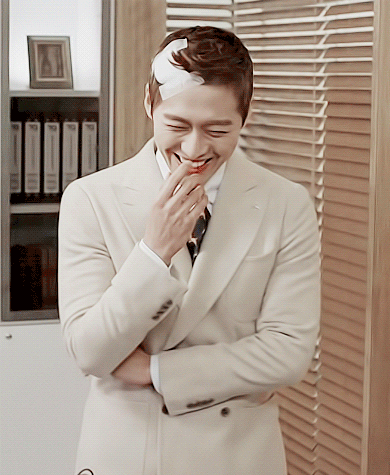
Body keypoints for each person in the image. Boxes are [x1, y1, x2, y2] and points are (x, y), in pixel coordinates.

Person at [58, 26, 320, 475]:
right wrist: (154, 252)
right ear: (149, 103)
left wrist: (156, 371)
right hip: (129, 453)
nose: (195, 149)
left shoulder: (285, 203)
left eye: (217, 129)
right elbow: (91, 352)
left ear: (245, 117)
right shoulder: (90, 199)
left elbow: (288, 352)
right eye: (177, 126)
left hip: (238, 455)